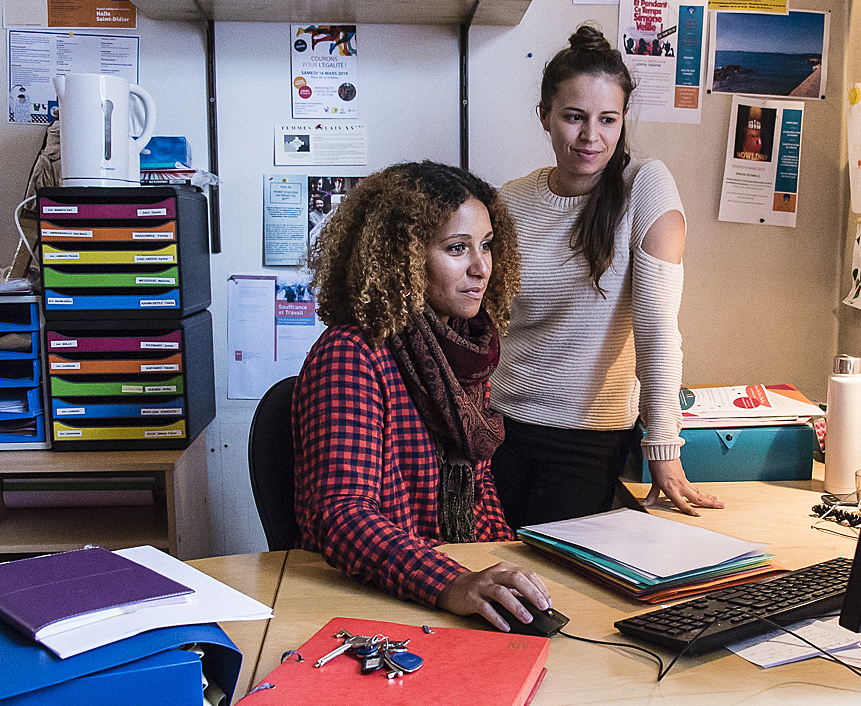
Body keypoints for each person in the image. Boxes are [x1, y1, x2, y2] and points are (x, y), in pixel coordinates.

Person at [294, 161, 551, 631]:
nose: (481, 268)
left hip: (445, 587)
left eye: (487, 246)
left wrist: (504, 574)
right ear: (403, 258)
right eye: (457, 249)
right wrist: (452, 582)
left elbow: (477, 490)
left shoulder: (462, 348)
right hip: (376, 603)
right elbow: (341, 515)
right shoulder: (351, 354)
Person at [490, 26, 724, 528]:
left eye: (607, 119)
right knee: (489, 571)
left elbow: (657, 330)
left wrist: (663, 446)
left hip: (588, 438)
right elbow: (486, 324)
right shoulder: (509, 202)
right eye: (574, 117)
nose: (590, 136)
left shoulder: (645, 186)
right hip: (499, 427)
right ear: (545, 117)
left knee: (552, 586)